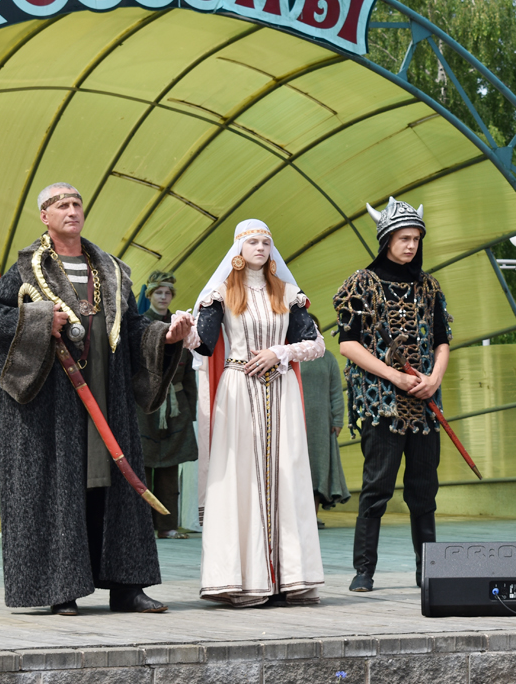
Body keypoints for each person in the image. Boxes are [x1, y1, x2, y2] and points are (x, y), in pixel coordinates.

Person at [0, 182, 193, 615]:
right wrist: (39, 318)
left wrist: (164, 336)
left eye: (77, 204)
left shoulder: (111, 270)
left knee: (116, 485)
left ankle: (127, 588)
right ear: (45, 217)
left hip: (107, 394)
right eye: (62, 205)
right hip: (52, 402)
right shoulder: (28, 269)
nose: (72, 210)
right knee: (61, 488)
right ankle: (61, 589)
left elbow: (131, 328)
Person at [190, 220, 326, 606]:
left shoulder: (287, 293)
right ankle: (241, 579)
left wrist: (279, 352)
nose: (261, 247)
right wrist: (184, 330)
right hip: (237, 387)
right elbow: (203, 344)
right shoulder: (221, 293)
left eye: (266, 242)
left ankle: (291, 578)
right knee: (240, 478)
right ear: (238, 248)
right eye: (253, 241)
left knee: (287, 474)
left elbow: (316, 344)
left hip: (281, 389)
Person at [334, 197, 451, 593]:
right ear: (386, 240)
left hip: (425, 405)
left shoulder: (429, 287)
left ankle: (427, 570)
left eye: (416, 238)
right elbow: (348, 344)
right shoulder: (361, 284)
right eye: (404, 238)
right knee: (377, 488)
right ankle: (363, 570)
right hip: (381, 403)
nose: (411, 245)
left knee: (424, 491)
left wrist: (434, 378)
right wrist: (394, 377)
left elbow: (442, 341)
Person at [136, 270, 199, 539]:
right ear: (150, 295)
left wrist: (190, 409)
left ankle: (167, 526)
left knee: (170, 468)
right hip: (144, 406)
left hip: (176, 407)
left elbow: (189, 373)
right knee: (142, 467)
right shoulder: (139, 324)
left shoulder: (182, 325)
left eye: (168, 293)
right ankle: (141, 527)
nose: (163, 297)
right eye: (159, 293)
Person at [300, 313, 350, 526]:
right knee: (297, 468)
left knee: (318, 469)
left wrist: (337, 420)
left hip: (321, 425)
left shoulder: (327, 358)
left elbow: (336, 391)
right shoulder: (288, 356)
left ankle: (312, 516)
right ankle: (295, 517)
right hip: (295, 423)